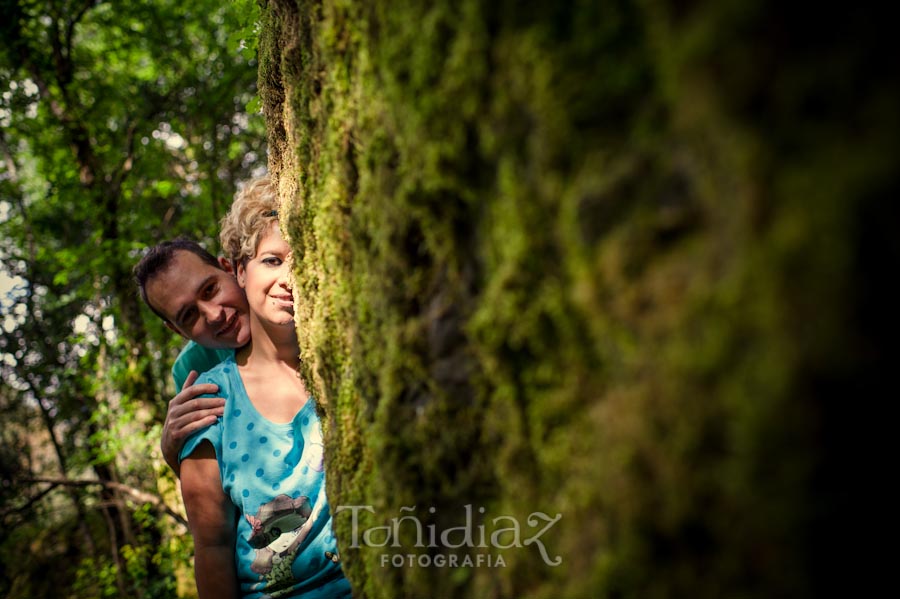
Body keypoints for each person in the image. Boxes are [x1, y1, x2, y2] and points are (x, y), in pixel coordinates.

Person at [178, 179, 351, 598]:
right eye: (272, 260)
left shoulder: (352, 356)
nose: (289, 278)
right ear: (239, 269)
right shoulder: (208, 401)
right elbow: (212, 548)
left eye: (301, 259)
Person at [134, 237, 251, 474]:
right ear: (178, 330)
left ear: (229, 269)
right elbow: (209, 475)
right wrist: (172, 452)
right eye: (189, 315)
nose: (214, 314)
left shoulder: (281, 299)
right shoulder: (192, 368)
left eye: (210, 290)